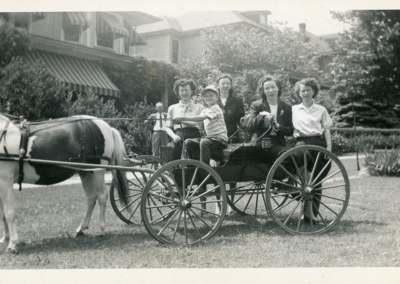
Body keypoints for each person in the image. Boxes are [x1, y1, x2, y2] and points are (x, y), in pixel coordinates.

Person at [292, 77, 333, 224]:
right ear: (299, 93)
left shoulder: (321, 109)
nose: (305, 93)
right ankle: (305, 211)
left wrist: (329, 146)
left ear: (313, 91)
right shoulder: (294, 109)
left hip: (318, 143)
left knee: (316, 181)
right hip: (301, 143)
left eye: (308, 90)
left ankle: (311, 216)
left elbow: (326, 129)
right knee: (305, 180)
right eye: (302, 90)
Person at [174, 85, 228, 165]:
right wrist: (181, 122)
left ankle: (203, 167)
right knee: (188, 142)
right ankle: (191, 165)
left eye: (211, 95)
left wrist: (182, 117)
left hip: (220, 140)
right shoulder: (206, 110)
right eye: (206, 96)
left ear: (217, 97)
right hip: (211, 139)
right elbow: (194, 123)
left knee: (204, 142)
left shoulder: (215, 108)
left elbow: (200, 118)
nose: (208, 97)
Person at [246, 75, 294, 159]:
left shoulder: (286, 107)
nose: (270, 91)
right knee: (289, 157)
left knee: (300, 155)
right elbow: (250, 128)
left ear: (278, 88)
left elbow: (290, 131)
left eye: (273, 87)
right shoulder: (257, 105)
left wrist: (278, 126)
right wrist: (261, 115)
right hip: (261, 144)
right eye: (267, 88)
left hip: (279, 144)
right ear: (263, 91)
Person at [166, 79, 204, 161]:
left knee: (195, 162)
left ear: (192, 91)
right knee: (176, 160)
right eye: (181, 90)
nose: (184, 93)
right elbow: (168, 127)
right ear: (178, 92)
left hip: (195, 136)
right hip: (179, 136)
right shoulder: (172, 108)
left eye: (187, 90)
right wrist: (173, 136)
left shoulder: (200, 107)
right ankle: (176, 172)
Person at [215, 74, 245, 143]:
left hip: (232, 136)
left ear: (231, 86)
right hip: (216, 136)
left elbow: (241, 121)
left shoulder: (238, 100)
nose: (225, 85)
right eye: (223, 83)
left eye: (227, 83)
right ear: (218, 85)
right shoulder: (213, 101)